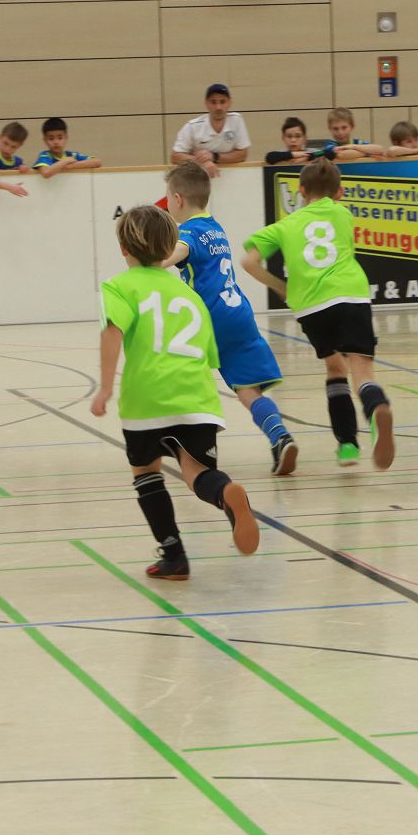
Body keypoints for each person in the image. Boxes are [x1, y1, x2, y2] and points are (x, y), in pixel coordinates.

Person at [90, 204, 260, 581]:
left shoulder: (120, 287)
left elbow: (112, 332)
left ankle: (174, 556)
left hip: (147, 398)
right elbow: (210, 355)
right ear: (170, 248)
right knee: (197, 472)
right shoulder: (190, 295)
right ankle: (224, 492)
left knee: (146, 471)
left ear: (124, 249)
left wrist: (104, 388)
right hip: (197, 398)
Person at [241, 158, 396, 469]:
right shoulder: (344, 214)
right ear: (339, 193)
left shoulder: (285, 225)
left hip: (312, 306)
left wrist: (281, 287)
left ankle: (347, 445)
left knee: (334, 368)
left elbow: (248, 262)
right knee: (362, 372)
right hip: (350, 294)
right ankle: (376, 407)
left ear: (301, 191)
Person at [165, 161, 297, 474]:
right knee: (247, 388)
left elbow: (177, 253)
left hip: (208, 320)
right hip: (238, 314)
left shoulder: (188, 232)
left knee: (174, 375)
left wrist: (150, 261)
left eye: (167, 197)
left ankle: (192, 444)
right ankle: (279, 436)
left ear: (178, 199)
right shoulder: (215, 228)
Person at [171, 83, 250, 176]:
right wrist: (201, 162)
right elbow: (175, 157)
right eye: (213, 102)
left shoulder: (237, 120)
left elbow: (243, 154)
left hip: (231, 177)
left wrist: (214, 157)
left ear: (230, 103)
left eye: (222, 102)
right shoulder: (192, 126)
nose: (218, 107)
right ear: (206, 104)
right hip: (197, 178)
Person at [33, 118, 101, 177]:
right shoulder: (45, 155)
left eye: (60, 138)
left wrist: (70, 166)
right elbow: (46, 173)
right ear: (45, 140)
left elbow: (97, 162)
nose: (56, 142)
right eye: (51, 139)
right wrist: (65, 161)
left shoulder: (72, 155)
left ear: (66, 138)